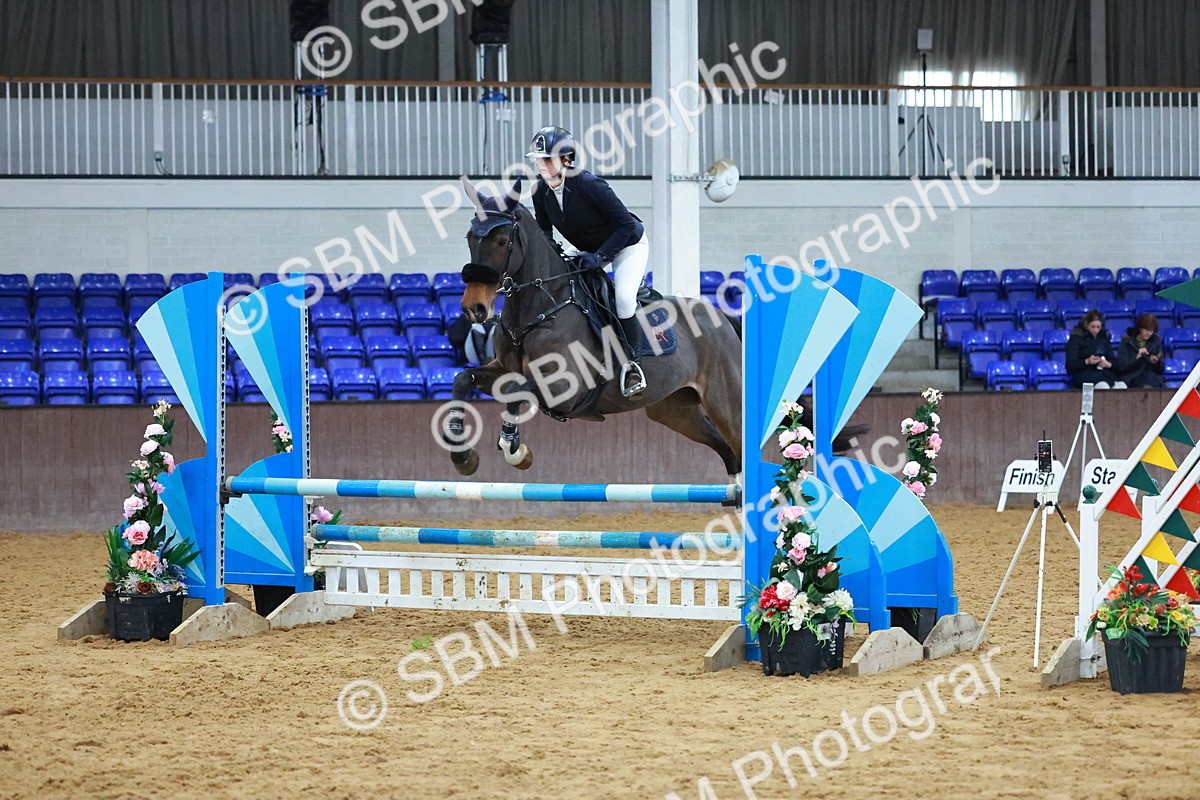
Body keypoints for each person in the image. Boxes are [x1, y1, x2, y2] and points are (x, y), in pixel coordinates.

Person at [526, 125, 650, 398]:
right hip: (587, 248)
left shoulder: (589, 184)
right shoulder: (539, 192)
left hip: (627, 244)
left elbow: (625, 225)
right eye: (538, 160)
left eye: (547, 159)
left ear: (567, 160)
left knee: (625, 299)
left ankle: (633, 365)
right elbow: (545, 233)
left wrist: (602, 257)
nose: (541, 165)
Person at [1065, 310, 1126, 389]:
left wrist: (1108, 364)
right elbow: (1070, 365)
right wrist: (1087, 361)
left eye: (1098, 327)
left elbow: (1114, 361)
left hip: (1104, 374)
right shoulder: (1076, 339)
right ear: (1086, 324)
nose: (1096, 330)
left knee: (1122, 386)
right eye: (1093, 327)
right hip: (1083, 375)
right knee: (1103, 386)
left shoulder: (1104, 339)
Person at [1116, 313, 1165, 389]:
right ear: (1140, 328)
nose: (1148, 333)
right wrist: (1136, 358)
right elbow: (1122, 367)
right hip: (1132, 379)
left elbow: (1161, 370)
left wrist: (1156, 362)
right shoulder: (1127, 342)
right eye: (1146, 330)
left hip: (1152, 379)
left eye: (1151, 331)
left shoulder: (1155, 341)